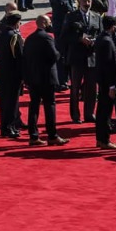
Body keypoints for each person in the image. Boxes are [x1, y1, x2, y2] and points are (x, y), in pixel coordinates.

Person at [23, 13, 67, 146]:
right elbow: (54, 55)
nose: (50, 25)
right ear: (43, 23)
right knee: (50, 106)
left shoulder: (29, 38)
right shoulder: (47, 38)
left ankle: (33, 136)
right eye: (48, 22)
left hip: (33, 78)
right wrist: (59, 53)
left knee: (34, 106)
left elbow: (25, 58)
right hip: (47, 78)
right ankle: (52, 135)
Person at [0, 11, 25, 139]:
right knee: (12, 102)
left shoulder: (0, 35)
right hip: (13, 73)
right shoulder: (14, 37)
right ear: (16, 23)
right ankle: (9, 127)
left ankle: (6, 127)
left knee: (4, 101)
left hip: (2, 71)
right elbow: (19, 56)